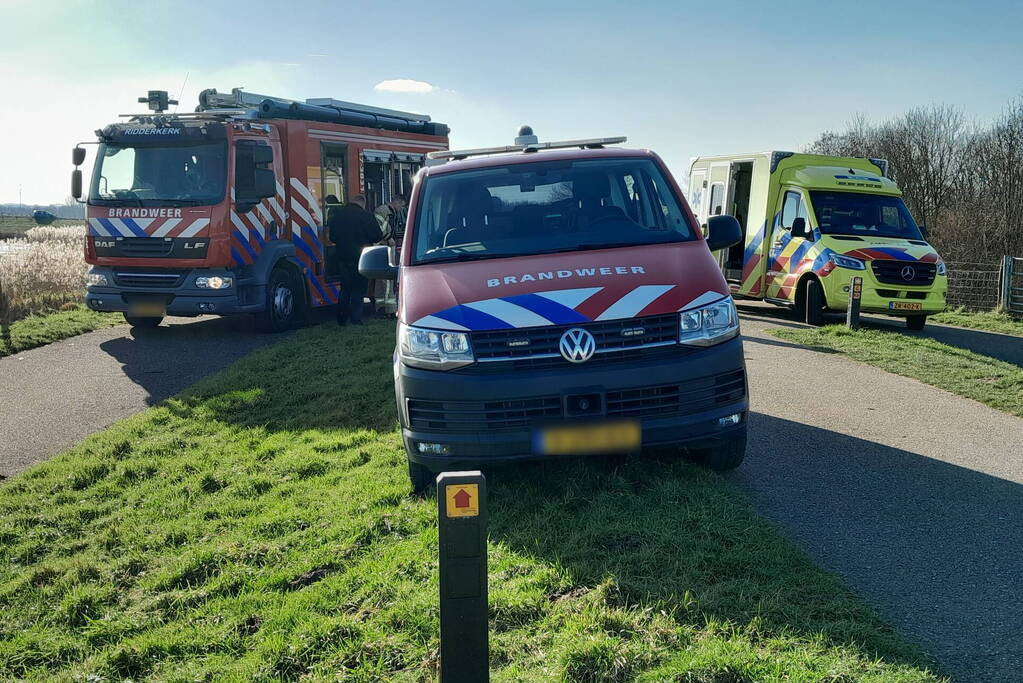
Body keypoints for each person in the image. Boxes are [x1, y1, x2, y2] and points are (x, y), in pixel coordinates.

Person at [327, 194, 381, 325]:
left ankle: (341, 319)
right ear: (363, 204)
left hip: (343, 257)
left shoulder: (338, 216)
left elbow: (332, 237)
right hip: (361, 258)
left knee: (345, 288)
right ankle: (355, 319)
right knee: (359, 288)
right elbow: (377, 236)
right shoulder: (366, 216)